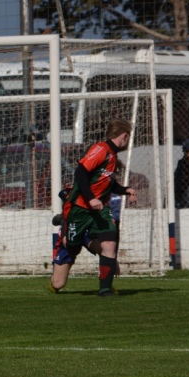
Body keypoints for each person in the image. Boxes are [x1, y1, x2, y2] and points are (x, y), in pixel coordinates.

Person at [59, 118, 137, 297]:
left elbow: (107, 183)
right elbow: (80, 172)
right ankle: (64, 225)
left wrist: (126, 190)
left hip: (100, 208)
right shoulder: (100, 149)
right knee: (72, 247)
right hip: (79, 208)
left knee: (110, 242)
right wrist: (91, 198)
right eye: (128, 137)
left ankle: (105, 289)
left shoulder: (112, 155)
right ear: (124, 136)